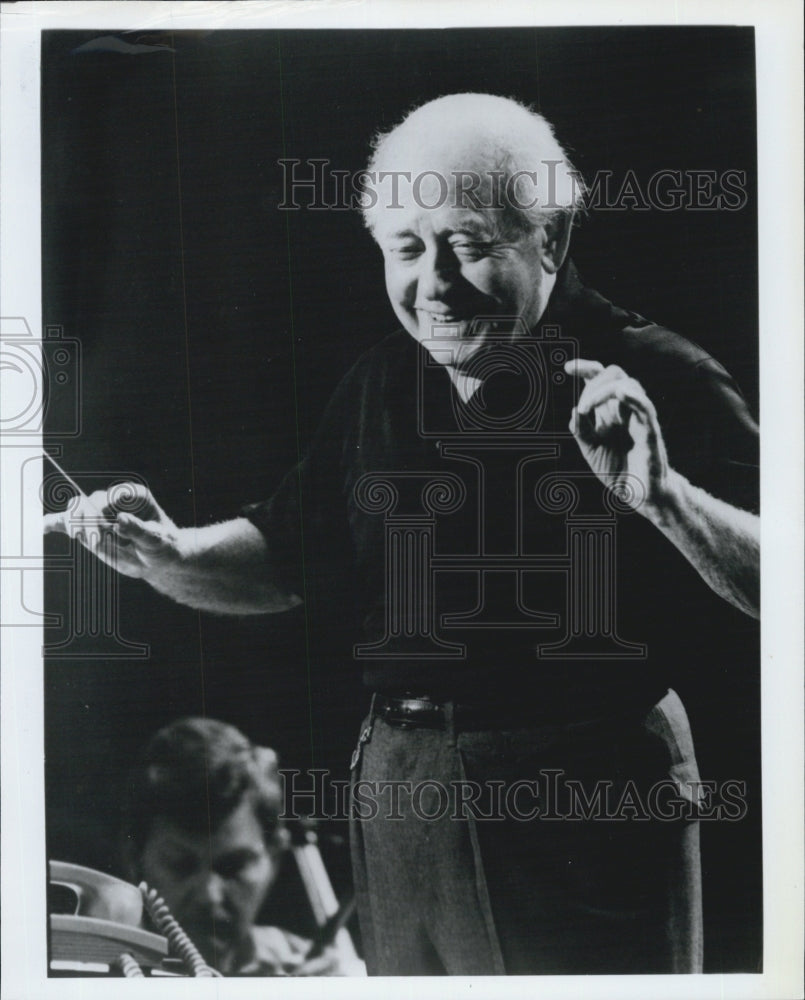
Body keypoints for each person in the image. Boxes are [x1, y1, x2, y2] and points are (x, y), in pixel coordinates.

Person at [46, 93, 759, 974]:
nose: (434, 285)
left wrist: (667, 500)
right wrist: (168, 553)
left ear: (552, 239)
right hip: (396, 787)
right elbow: (288, 556)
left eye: (466, 245)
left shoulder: (657, 374)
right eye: (406, 250)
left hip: (578, 803)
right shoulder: (385, 378)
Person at [121, 716, 362, 976]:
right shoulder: (88, 972)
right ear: (134, 861)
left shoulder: (320, 974)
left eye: (232, 867)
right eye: (181, 866)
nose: (209, 896)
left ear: (274, 859)